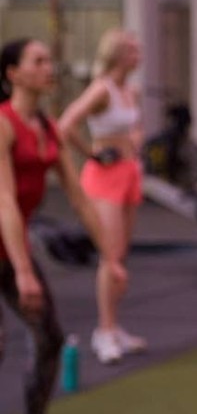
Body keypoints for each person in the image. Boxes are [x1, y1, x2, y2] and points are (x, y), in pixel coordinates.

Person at [0, 38, 111, 413]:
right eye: (39, 61)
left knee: (50, 340)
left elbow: (79, 198)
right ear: (13, 74)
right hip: (11, 249)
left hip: (12, 250)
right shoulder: (3, 125)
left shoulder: (49, 129)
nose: (50, 67)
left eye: (50, 60)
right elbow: (4, 202)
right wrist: (23, 271)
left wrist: (111, 258)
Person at [58, 29, 147, 364]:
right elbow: (65, 125)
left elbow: (134, 127)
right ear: (118, 54)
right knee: (109, 256)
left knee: (120, 256)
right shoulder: (101, 89)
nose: (138, 56)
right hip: (104, 177)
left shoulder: (130, 90)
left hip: (128, 173)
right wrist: (92, 154)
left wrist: (135, 140)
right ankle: (104, 332)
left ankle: (114, 326)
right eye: (133, 51)